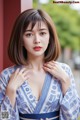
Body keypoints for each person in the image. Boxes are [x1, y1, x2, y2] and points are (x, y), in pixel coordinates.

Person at [0, 8, 80, 120]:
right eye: (29, 34)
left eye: (42, 33)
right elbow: (3, 117)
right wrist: (11, 91)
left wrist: (65, 81)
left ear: (50, 37)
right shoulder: (7, 76)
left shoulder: (64, 71)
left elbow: (73, 116)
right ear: (20, 39)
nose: (37, 40)